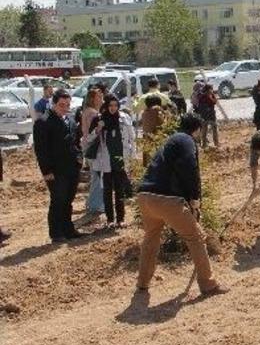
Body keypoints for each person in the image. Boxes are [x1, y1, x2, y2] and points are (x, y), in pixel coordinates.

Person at [136, 113, 227, 297]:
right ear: (197, 129)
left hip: (146, 197)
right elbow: (190, 167)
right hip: (167, 199)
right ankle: (208, 284)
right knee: (196, 237)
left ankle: (142, 283)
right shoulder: (187, 140)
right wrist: (194, 197)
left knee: (151, 239)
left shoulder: (171, 141)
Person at [33, 89, 85, 243]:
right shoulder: (43, 122)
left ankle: (68, 229)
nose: (65, 108)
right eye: (62, 105)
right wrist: (46, 171)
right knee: (58, 200)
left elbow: (75, 142)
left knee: (68, 199)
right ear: (54, 103)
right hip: (55, 170)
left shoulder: (69, 119)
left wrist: (79, 157)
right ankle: (56, 233)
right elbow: (41, 150)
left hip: (71, 167)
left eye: (67, 105)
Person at [85, 94, 135, 228]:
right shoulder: (99, 119)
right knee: (107, 191)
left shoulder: (124, 118)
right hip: (105, 160)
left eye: (115, 105)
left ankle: (120, 218)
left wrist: (132, 157)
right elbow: (89, 138)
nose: (113, 108)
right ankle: (109, 219)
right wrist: (98, 129)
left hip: (119, 159)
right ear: (106, 106)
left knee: (119, 190)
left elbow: (131, 138)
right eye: (110, 105)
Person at [80, 88, 105, 220]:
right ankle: (95, 205)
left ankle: (93, 202)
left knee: (96, 176)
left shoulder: (87, 111)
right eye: (99, 97)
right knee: (97, 176)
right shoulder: (93, 113)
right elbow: (92, 134)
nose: (102, 99)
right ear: (92, 99)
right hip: (93, 148)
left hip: (88, 147)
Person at [196, 84, 219, 149]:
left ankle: (213, 143)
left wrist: (211, 96)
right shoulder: (203, 96)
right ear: (208, 90)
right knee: (207, 130)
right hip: (207, 115)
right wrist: (210, 96)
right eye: (211, 89)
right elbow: (214, 101)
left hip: (207, 115)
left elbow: (215, 101)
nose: (212, 90)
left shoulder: (207, 95)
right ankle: (208, 144)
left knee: (208, 130)